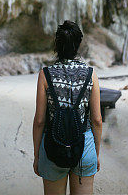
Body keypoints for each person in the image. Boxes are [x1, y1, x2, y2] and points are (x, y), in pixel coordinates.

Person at [33, 20, 102, 195]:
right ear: (78, 44)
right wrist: (95, 153)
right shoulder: (90, 74)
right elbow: (97, 120)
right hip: (84, 145)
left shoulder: (45, 75)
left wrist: (37, 155)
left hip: (52, 146)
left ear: (57, 44)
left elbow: (40, 121)